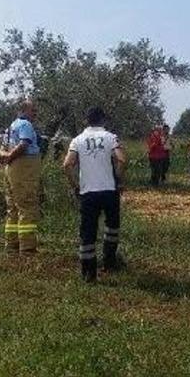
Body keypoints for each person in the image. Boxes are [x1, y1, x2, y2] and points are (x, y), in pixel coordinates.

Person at [63, 107, 127, 283]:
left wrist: (75, 185)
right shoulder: (110, 137)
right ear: (103, 120)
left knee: (88, 232)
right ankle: (109, 262)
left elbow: (67, 165)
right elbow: (121, 159)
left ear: (87, 121)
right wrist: (119, 180)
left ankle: (88, 273)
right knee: (112, 228)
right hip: (109, 190)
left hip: (88, 192)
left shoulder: (77, 140)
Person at [0, 99, 42, 255]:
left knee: (13, 207)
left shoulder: (11, 127)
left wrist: (6, 157)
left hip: (10, 168)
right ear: (23, 110)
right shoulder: (25, 125)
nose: (36, 113)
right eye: (33, 110)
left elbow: (1, 149)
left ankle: (12, 245)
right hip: (24, 166)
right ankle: (28, 248)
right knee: (27, 204)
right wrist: (11, 155)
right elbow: (24, 144)